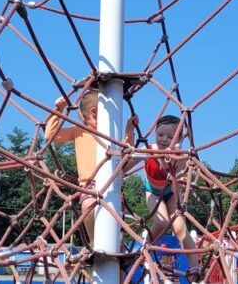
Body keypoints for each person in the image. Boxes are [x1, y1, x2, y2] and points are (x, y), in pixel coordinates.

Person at [44, 90, 138, 245]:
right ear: (94, 112)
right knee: (87, 206)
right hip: (89, 185)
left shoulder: (110, 132)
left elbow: (126, 151)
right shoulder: (78, 131)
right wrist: (57, 111)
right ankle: (94, 242)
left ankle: (117, 243)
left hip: (112, 185)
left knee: (113, 230)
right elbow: (51, 135)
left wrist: (129, 130)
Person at [143, 115, 201, 281]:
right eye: (160, 134)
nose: (164, 139)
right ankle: (144, 249)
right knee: (161, 223)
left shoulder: (181, 157)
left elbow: (189, 176)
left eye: (170, 137)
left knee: (180, 227)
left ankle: (195, 267)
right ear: (155, 132)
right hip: (153, 192)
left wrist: (186, 178)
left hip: (171, 192)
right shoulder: (149, 150)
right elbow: (125, 165)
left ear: (178, 139)